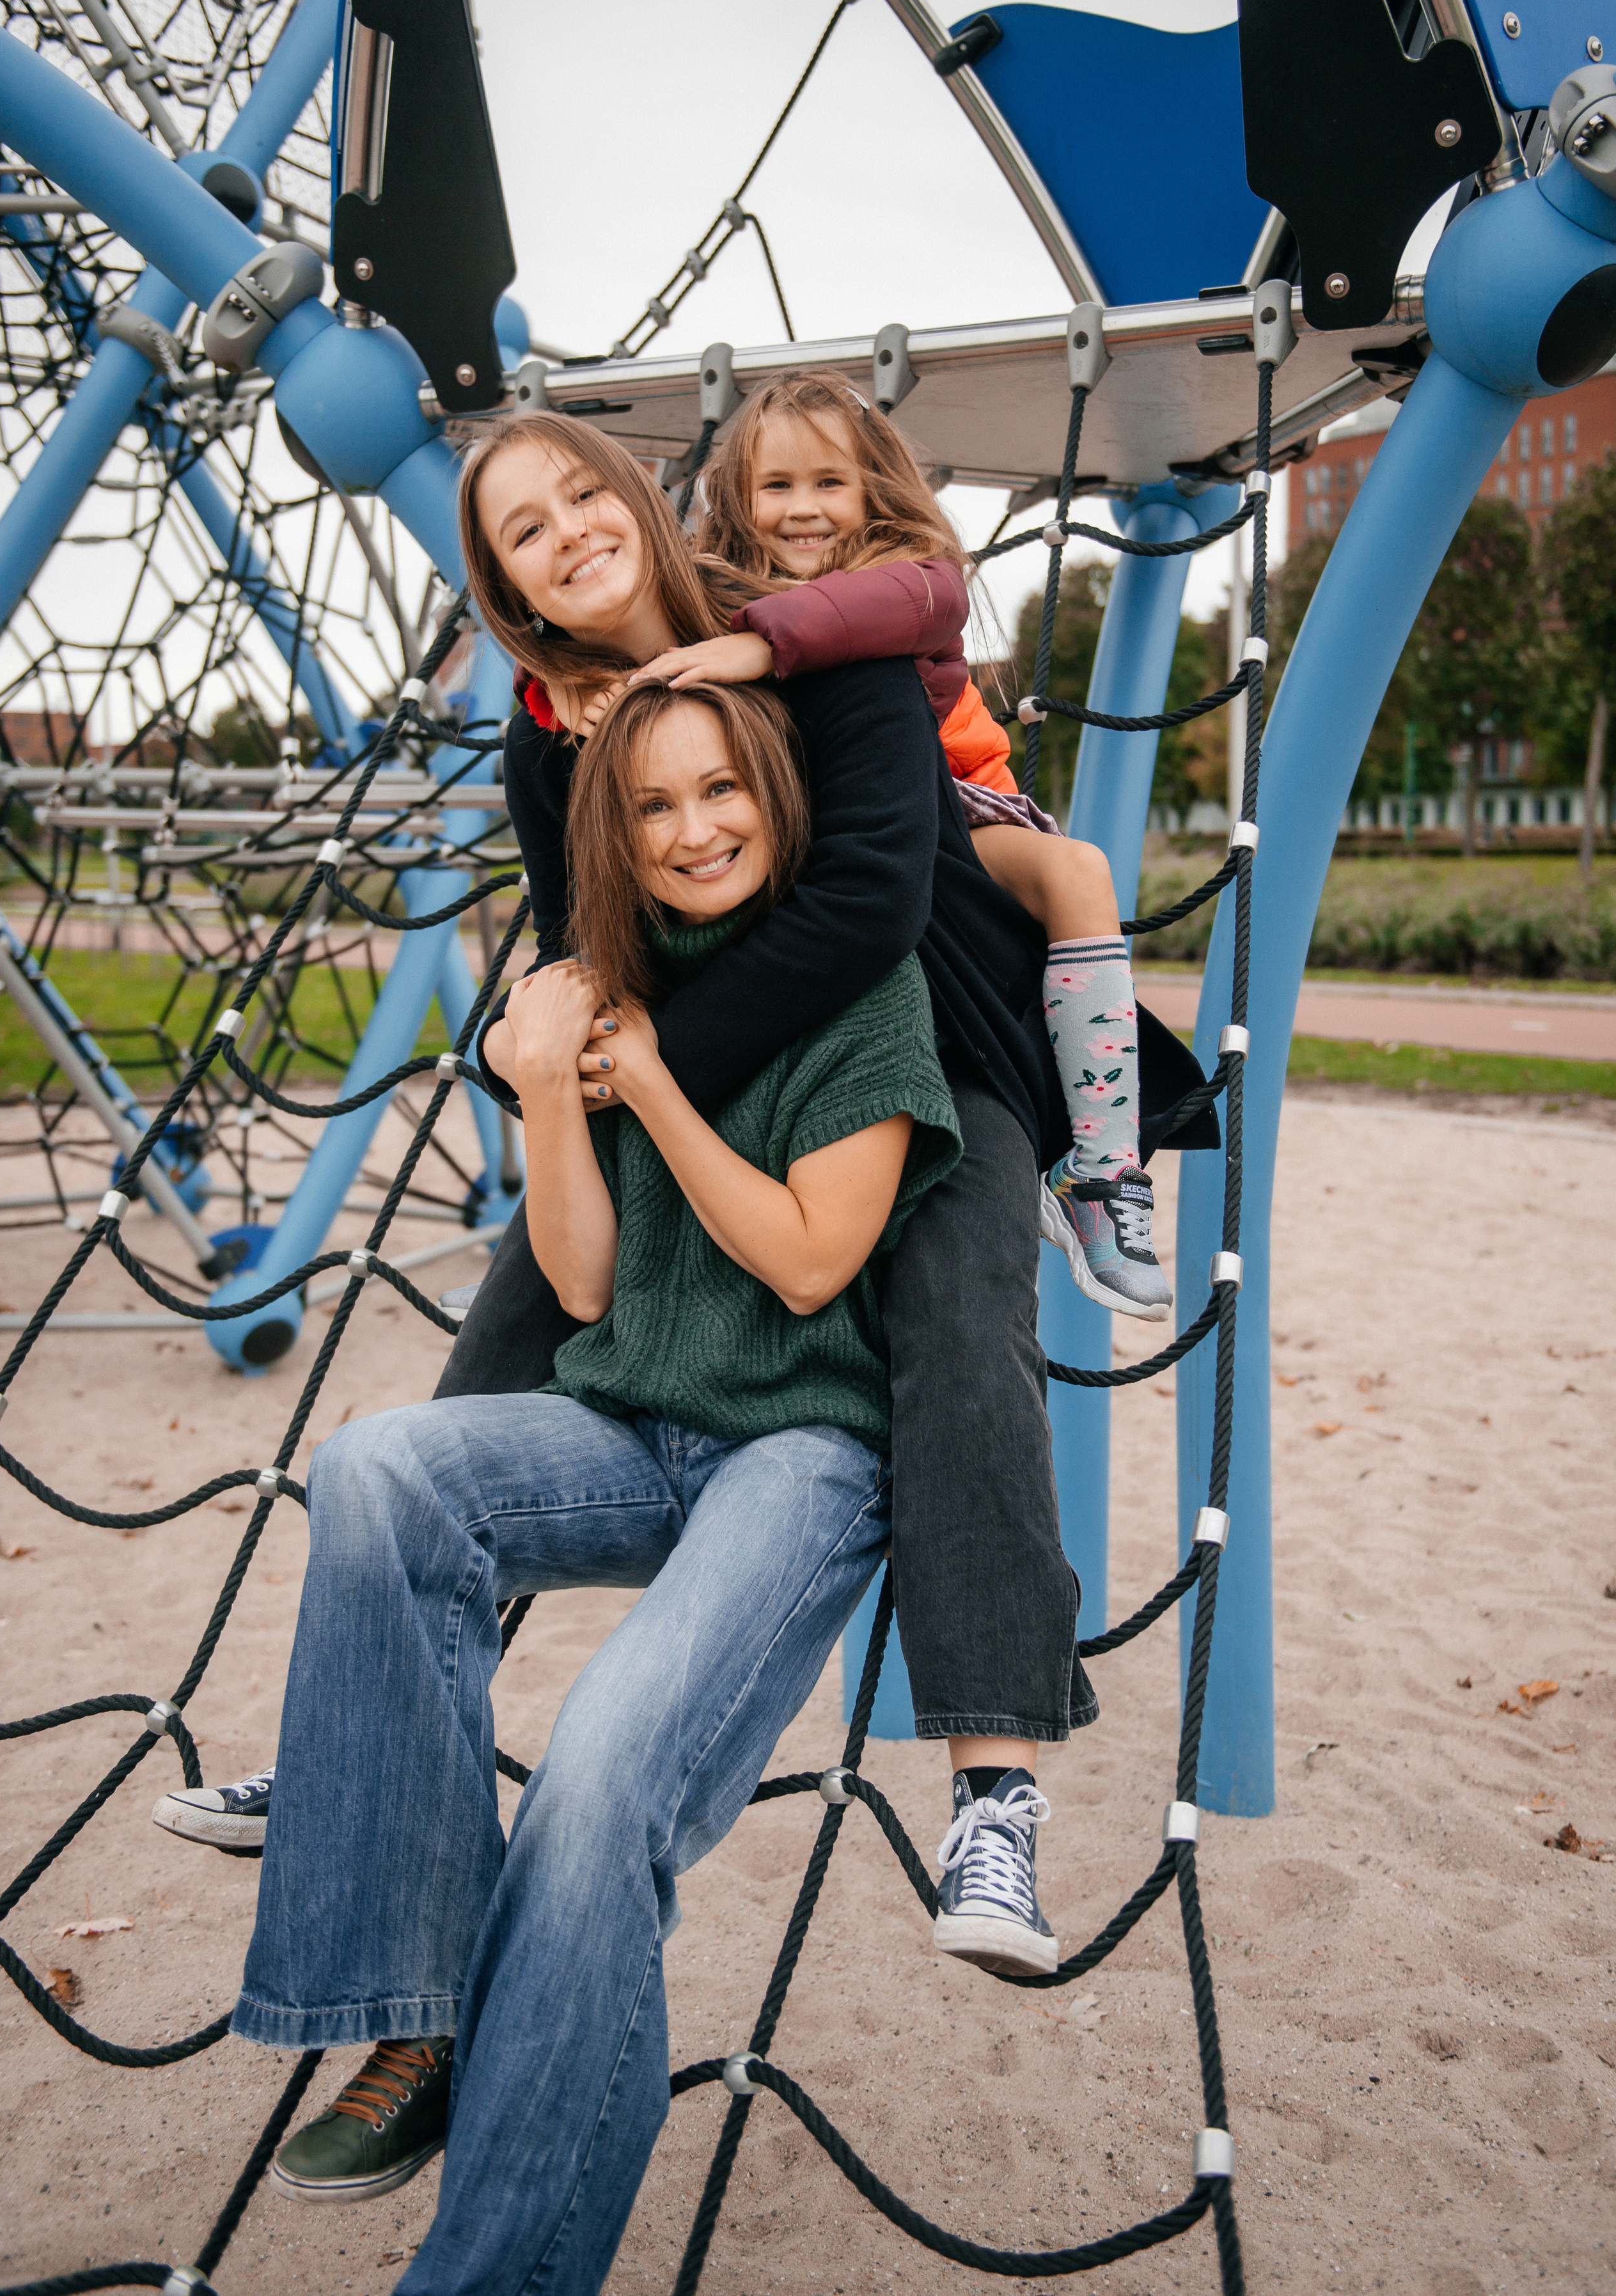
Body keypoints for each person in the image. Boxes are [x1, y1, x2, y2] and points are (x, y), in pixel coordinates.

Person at [161, 407, 1215, 1973]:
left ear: (633, 497)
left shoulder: (801, 633)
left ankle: (994, 1792)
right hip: (703, 1047)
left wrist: (649, 1065)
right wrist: (561, 1054)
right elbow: (574, 926)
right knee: (524, 1295)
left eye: (581, 492)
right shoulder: (549, 729)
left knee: (958, 1311)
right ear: (508, 586)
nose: (569, 531)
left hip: (927, 1028)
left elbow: (869, 902)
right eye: (525, 531)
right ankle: (357, 1734)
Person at [235, 675, 961, 2292]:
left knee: (599, 1773)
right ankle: (417, 2022)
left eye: (724, 793)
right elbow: (575, 1287)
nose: (695, 829)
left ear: (775, 799)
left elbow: (802, 1262)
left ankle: (496, 2270)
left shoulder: (861, 988)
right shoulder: (606, 981)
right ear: (611, 839)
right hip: (633, 1424)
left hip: (801, 1449)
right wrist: (545, 1090)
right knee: (375, 1472)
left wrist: (646, 1088)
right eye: (654, 807)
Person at [678, 366, 1175, 1320]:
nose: (804, 509)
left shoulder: (912, 579)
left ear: (870, 487)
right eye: (776, 486)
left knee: (1079, 869)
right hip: (829, 834)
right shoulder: (715, 591)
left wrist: (763, 642)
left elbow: (900, 608)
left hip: (957, 814)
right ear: (738, 499)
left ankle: (1102, 1173)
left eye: (830, 482)